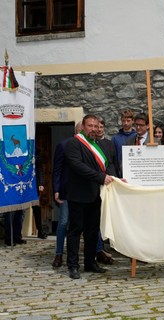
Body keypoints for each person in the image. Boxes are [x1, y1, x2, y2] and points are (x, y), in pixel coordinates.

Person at [65, 114, 113, 279]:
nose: (93, 129)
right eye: (90, 126)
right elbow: (78, 166)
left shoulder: (97, 145)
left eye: (96, 126)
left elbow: (106, 166)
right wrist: (102, 178)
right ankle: (73, 265)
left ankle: (90, 263)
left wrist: (116, 179)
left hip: (95, 195)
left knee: (92, 232)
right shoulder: (74, 143)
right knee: (75, 231)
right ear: (83, 127)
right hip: (78, 195)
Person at [52, 121, 82, 268]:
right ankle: (58, 253)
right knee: (64, 222)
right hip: (67, 191)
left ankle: (98, 251)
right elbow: (57, 169)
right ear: (77, 130)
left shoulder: (91, 147)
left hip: (84, 192)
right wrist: (56, 189)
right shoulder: (64, 145)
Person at [95, 116, 118, 265]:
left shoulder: (109, 144)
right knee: (96, 218)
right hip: (94, 183)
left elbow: (113, 163)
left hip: (109, 183)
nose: (99, 129)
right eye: (96, 127)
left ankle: (108, 245)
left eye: (101, 127)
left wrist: (115, 179)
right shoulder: (89, 145)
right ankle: (98, 249)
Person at [111, 109, 136, 177]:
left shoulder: (137, 137)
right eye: (123, 121)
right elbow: (113, 158)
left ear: (133, 121)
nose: (126, 123)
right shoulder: (115, 138)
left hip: (135, 171)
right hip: (120, 173)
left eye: (128, 121)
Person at [32, 147, 47, 239]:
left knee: (36, 208)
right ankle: (17, 234)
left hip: (34, 184)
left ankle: (40, 231)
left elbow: (40, 169)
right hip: (23, 185)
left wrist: (41, 183)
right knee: (20, 210)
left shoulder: (35, 151)